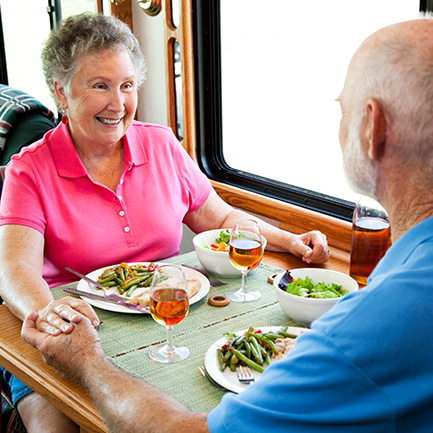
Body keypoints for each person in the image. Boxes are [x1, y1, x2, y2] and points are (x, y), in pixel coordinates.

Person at [21, 16, 433, 432]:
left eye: (127, 85)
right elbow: (14, 270)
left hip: (173, 315)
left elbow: (220, 219)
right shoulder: (29, 169)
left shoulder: (161, 143)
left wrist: (289, 240)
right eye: (99, 85)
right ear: (61, 91)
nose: (118, 102)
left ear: (372, 127)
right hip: (74, 324)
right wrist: (53, 316)